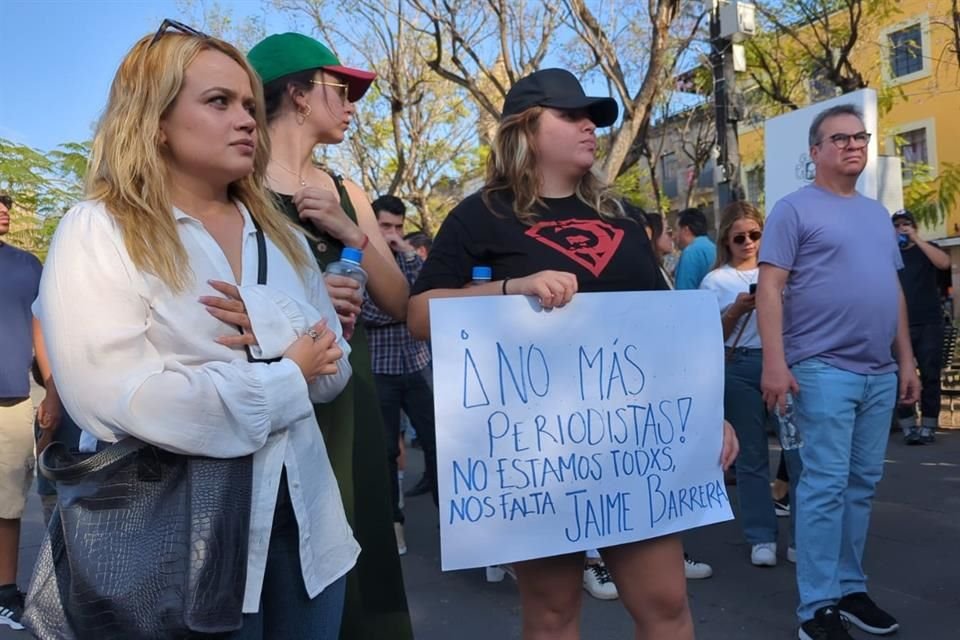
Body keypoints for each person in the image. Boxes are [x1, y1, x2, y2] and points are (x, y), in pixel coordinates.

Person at [31, 24, 357, 638]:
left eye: (249, 106)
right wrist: (287, 372)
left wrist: (264, 323)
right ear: (154, 120)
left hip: (309, 532)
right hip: (174, 545)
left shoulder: (283, 237)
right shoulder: (98, 229)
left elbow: (332, 370)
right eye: (219, 102)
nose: (246, 120)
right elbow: (123, 402)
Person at [407, 67, 738, 640]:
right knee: (554, 612)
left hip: (637, 448)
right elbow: (420, 314)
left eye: (593, 118)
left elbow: (667, 332)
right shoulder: (478, 215)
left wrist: (711, 417)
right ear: (525, 129)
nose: (590, 127)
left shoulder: (625, 220)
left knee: (666, 605)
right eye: (571, 115)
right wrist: (511, 288)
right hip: (537, 462)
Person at [247, 32, 414, 639]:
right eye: (340, 89)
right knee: (279, 551)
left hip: (348, 393)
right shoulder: (236, 182)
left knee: (356, 531)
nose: (351, 105)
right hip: (271, 391)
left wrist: (350, 231)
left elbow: (398, 302)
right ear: (295, 92)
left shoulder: (349, 191)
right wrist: (310, 293)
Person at [757, 103, 920, 640]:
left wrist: (907, 360)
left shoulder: (877, 214)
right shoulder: (792, 209)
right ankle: (817, 609)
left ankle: (850, 589)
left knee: (861, 486)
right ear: (816, 152)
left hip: (877, 372)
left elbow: (890, 290)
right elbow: (771, 289)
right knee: (825, 487)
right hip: (821, 369)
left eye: (860, 137)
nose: (854, 145)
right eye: (840, 138)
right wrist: (775, 364)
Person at [701, 201, 800, 568]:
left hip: (783, 363)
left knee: (797, 454)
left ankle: (802, 538)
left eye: (755, 235)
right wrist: (736, 311)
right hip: (739, 363)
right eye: (738, 237)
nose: (748, 243)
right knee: (752, 457)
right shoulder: (715, 281)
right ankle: (761, 535)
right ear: (726, 241)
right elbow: (709, 337)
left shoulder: (782, 272)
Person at [363, 194, 439, 554]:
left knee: (441, 444)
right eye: (385, 226)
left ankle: (455, 521)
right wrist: (406, 311)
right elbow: (367, 312)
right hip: (381, 368)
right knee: (383, 452)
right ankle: (393, 523)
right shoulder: (361, 257)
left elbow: (428, 297)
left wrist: (408, 256)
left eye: (397, 226)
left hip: (418, 364)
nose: (392, 233)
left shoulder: (410, 256)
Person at [0, 193, 61, 631]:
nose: (4, 210)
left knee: (7, 502)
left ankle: (4, 592)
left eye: (5, 203)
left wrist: (55, 392)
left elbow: (47, 329)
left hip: (13, 399)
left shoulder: (28, 266)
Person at [891, 209, 950, 444]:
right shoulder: (889, 253)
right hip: (898, 324)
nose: (902, 228)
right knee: (900, 376)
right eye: (897, 225)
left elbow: (944, 263)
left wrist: (916, 239)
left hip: (929, 322)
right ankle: (908, 426)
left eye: (906, 224)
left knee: (930, 375)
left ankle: (929, 425)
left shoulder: (927, 247)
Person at [673, 207, 716, 290]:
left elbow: (684, 293)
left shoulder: (690, 253)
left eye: (676, 229)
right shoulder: (715, 248)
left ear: (686, 230)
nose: (674, 236)